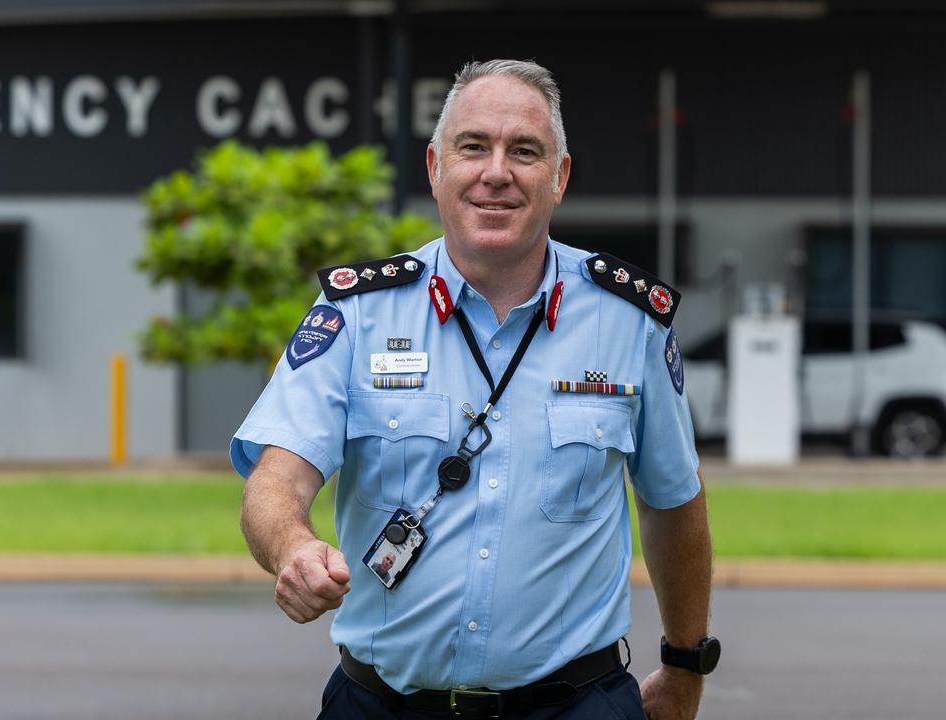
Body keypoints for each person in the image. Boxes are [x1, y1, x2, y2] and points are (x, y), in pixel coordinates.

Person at [232, 59, 715, 720]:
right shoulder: (356, 313)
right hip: (382, 705)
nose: (496, 172)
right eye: (473, 147)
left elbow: (672, 501)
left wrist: (687, 666)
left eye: (524, 151)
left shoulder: (628, 321)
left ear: (559, 177)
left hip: (575, 705)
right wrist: (291, 546)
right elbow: (275, 477)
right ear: (436, 168)